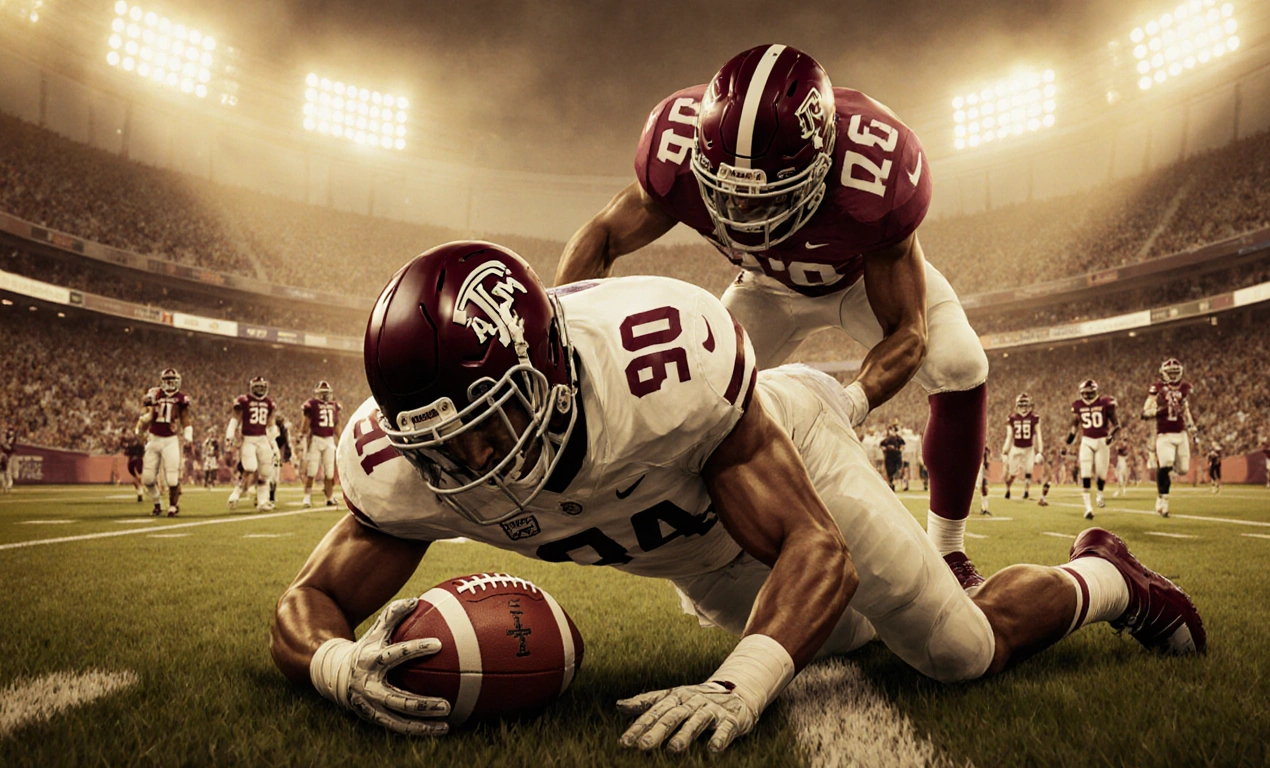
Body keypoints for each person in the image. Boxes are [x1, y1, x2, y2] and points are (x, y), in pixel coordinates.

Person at [269, 242, 1205, 750]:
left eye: (492, 421)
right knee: (848, 643)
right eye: (438, 442)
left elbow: (815, 549)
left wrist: (742, 682)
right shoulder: (401, 464)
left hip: (790, 462)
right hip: (694, 555)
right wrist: (335, 666)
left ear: (550, 373)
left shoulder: (657, 366)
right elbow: (308, 603)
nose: (471, 460)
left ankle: (1107, 577)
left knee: (958, 652)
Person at [553, 44, 991, 590]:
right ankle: (716, 558)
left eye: (765, 197)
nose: (742, 211)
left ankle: (948, 550)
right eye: (726, 193)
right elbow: (604, 235)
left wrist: (849, 402)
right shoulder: (675, 145)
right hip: (762, 286)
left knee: (960, 365)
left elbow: (908, 331)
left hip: (858, 278)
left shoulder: (876, 171)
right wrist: (561, 334)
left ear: (823, 163)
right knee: (698, 402)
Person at [1142, 359, 1198, 518]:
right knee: (1166, 464)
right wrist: (1160, 411)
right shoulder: (1158, 388)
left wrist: (1191, 426)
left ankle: (1163, 476)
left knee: (1183, 469)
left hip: (1181, 433)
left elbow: (1185, 409)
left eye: (1175, 372)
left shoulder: (1184, 388)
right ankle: (1163, 500)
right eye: (1170, 373)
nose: (1173, 376)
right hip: (1164, 434)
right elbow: (1145, 411)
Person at [140, 368, 192, 517]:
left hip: (170, 440)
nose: (169, 384)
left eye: (172, 381)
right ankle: (157, 503)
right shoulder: (155, 393)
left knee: (172, 478)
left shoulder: (181, 398)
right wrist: (146, 415)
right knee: (148, 478)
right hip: (154, 438)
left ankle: (173, 505)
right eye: (167, 381)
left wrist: (188, 433)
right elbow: (147, 407)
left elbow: (185, 417)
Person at [1067, 379, 1120, 520]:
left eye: (1089, 393)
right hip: (1087, 441)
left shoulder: (1105, 403)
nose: (1087, 396)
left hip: (1102, 441)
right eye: (1085, 393)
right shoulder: (1078, 405)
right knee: (1085, 473)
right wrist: (1070, 438)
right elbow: (1075, 424)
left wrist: (1111, 436)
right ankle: (1088, 508)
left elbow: (1116, 425)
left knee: (1101, 475)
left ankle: (1100, 495)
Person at [227, 376, 277, 512]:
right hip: (248, 438)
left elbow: (270, 423)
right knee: (250, 467)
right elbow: (235, 419)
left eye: (262, 387)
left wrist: (274, 442)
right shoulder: (244, 400)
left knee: (265, 472)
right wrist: (230, 435)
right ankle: (236, 492)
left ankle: (262, 501)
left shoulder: (269, 402)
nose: (260, 390)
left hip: (263, 438)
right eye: (257, 387)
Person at [299, 381, 343, 508]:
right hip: (316, 439)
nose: (324, 395)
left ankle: (329, 497)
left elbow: (337, 424)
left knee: (329, 472)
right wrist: (302, 434)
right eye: (322, 393)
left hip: (329, 440)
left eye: (326, 393)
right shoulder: (312, 404)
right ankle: (307, 497)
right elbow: (306, 422)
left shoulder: (334, 405)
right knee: (312, 470)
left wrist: (340, 439)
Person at [1002, 393, 1042, 501]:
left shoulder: (1034, 417)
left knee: (1029, 470)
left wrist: (1040, 451)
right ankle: (1008, 488)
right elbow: (1009, 436)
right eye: (1022, 404)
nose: (1024, 407)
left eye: (1025, 404)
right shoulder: (1012, 417)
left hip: (1029, 448)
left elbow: (1039, 435)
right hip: (1016, 448)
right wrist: (1005, 451)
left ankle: (1026, 491)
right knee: (1012, 473)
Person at [118, 427, 147, 502]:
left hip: (137, 461)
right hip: (131, 462)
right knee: (136, 481)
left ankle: (142, 490)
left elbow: (142, 451)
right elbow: (125, 450)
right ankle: (141, 491)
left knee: (137, 477)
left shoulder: (138, 443)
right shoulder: (128, 443)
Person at [879, 424, 905, 491]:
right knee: (889, 471)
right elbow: (882, 445)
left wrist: (899, 450)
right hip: (889, 456)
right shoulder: (887, 439)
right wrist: (885, 449)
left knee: (896, 470)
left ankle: (893, 481)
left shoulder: (899, 438)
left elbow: (902, 445)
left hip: (896, 456)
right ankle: (891, 483)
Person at [0, 425, 13, 493]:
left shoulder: (9, 438)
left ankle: (6, 485)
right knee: (4, 471)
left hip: (4, 455)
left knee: (4, 471)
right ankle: (5, 485)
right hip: (3, 455)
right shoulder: (5, 439)